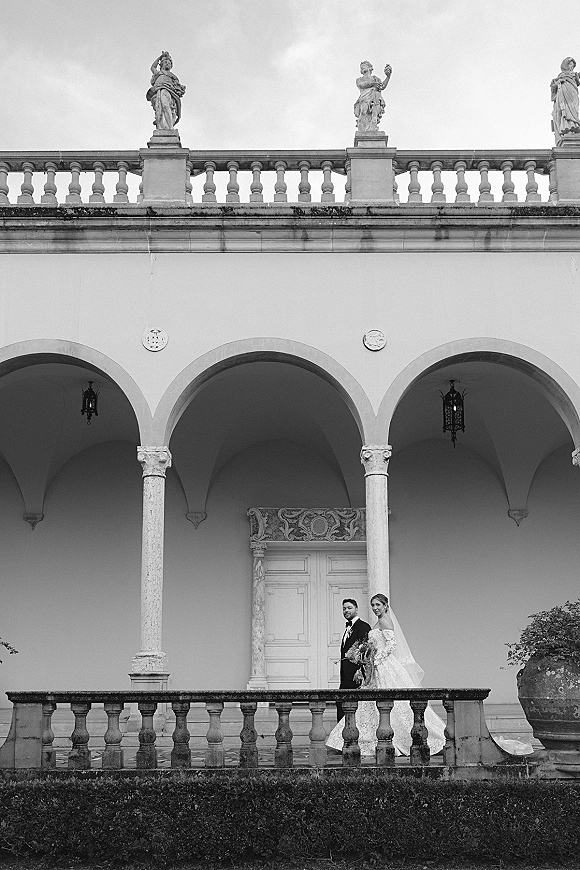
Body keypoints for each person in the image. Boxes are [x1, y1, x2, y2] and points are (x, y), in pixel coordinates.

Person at [327, 593, 446, 757]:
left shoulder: (384, 620)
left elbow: (391, 645)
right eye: (373, 606)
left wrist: (376, 660)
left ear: (385, 605)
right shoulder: (378, 622)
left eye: (378, 605)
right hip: (376, 668)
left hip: (384, 667)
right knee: (371, 705)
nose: (375, 608)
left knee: (394, 704)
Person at [336, 598, 371, 722]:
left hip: (357, 676)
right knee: (341, 704)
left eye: (349, 608)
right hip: (345, 676)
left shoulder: (363, 627)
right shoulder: (347, 628)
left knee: (352, 707)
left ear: (356, 609)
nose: (346, 610)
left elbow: (366, 652)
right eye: (344, 608)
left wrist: (361, 674)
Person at [146, 52, 186, 131]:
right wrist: (160, 57)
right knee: (159, 108)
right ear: (161, 65)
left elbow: (178, 88)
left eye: (169, 63)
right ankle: (162, 126)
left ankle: (170, 126)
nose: (167, 64)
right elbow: (152, 67)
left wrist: (181, 88)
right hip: (157, 91)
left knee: (165, 105)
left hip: (167, 91)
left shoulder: (173, 76)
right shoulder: (158, 73)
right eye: (165, 62)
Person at [354, 61, 392, 133]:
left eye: (364, 66)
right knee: (363, 112)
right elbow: (361, 85)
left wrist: (388, 76)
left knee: (374, 117)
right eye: (361, 67)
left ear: (370, 68)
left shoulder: (376, 79)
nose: (362, 67)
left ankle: (373, 130)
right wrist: (372, 84)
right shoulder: (359, 79)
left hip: (376, 98)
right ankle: (361, 131)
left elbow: (382, 86)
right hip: (364, 98)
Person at [551, 57, 580, 141]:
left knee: (573, 109)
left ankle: (575, 125)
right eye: (570, 64)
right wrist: (558, 83)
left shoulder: (574, 75)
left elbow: (578, 78)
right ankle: (568, 127)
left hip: (573, 93)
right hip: (563, 94)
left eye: (573, 65)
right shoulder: (560, 76)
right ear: (566, 64)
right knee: (566, 110)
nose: (572, 67)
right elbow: (553, 87)